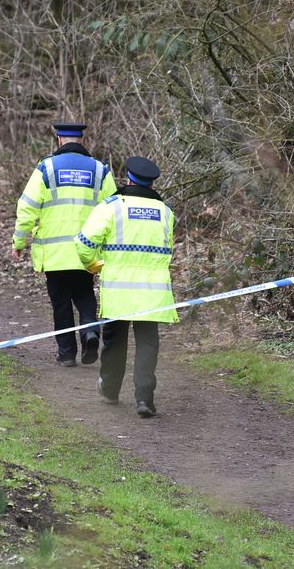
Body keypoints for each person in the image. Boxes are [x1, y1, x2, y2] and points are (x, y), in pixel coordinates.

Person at [75, 156, 177, 418]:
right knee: (148, 344)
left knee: (114, 341)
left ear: (128, 179)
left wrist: (94, 265)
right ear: (151, 183)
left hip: (120, 289)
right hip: (154, 292)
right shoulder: (166, 213)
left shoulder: (111, 207)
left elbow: (84, 243)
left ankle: (109, 390)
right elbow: (168, 252)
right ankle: (145, 399)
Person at [12, 123, 117, 367]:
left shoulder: (46, 168)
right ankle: (90, 332)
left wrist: (19, 241)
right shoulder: (100, 170)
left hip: (55, 252)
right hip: (87, 252)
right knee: (84, 294)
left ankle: (67, 353)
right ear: (82, 139)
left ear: (59, 140)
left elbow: (27, 207)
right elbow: (113, 209)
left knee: (61, 302)